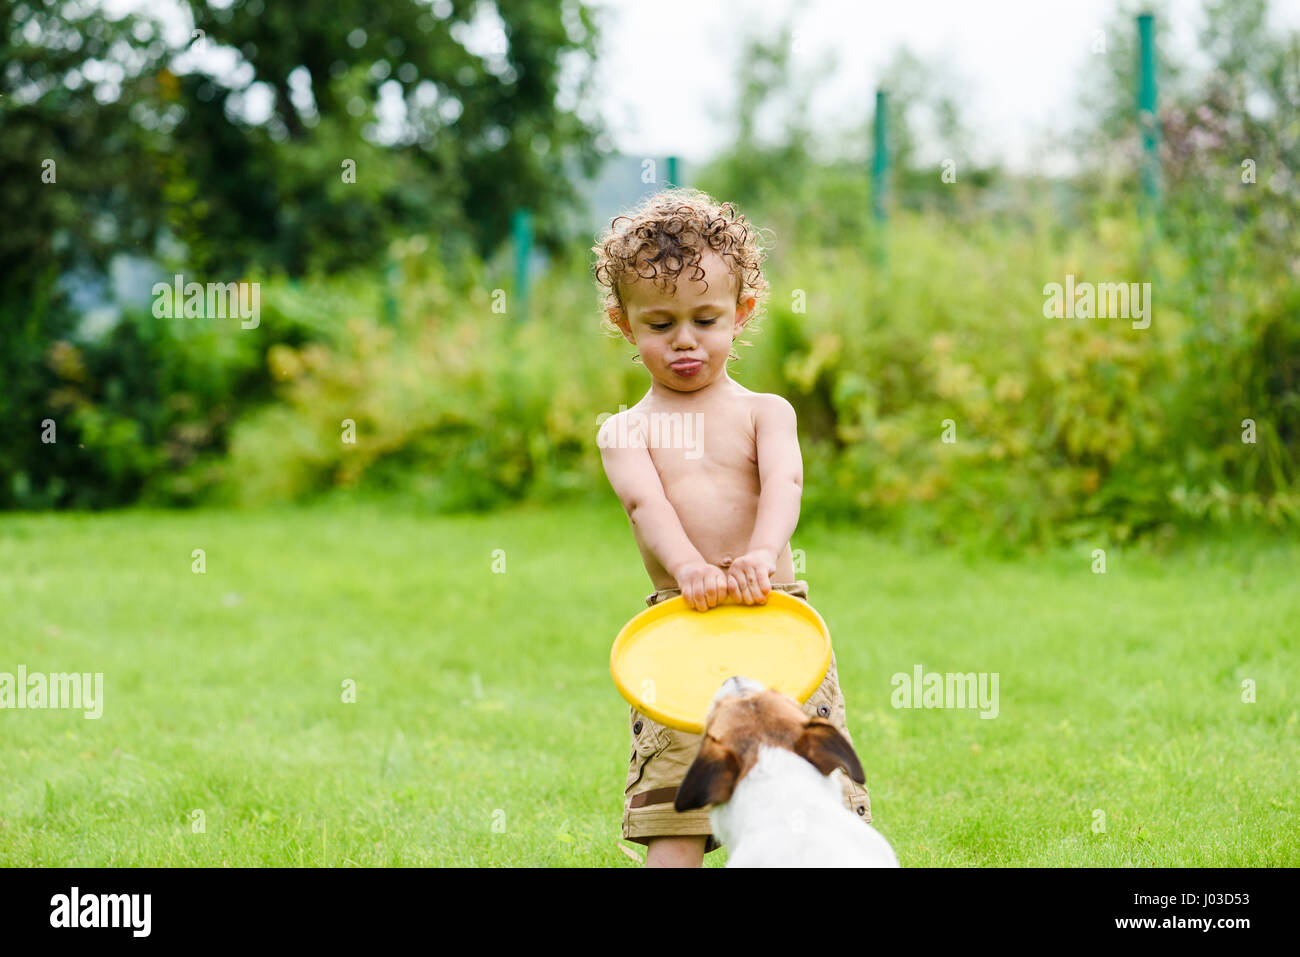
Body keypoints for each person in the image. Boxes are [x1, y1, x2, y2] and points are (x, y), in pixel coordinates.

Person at [593, 188, 873, 867]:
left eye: (705, 319)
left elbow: (786, 484)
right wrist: (690, 565)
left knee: (818, 795)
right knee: (676, 810)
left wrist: (760, 551)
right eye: (659, 324)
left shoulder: (765, 413)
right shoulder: (625, 430)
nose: (684, 340)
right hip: (680, 630)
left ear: (741, 313)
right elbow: (644, 505)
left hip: (773, 619)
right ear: (625, 323)